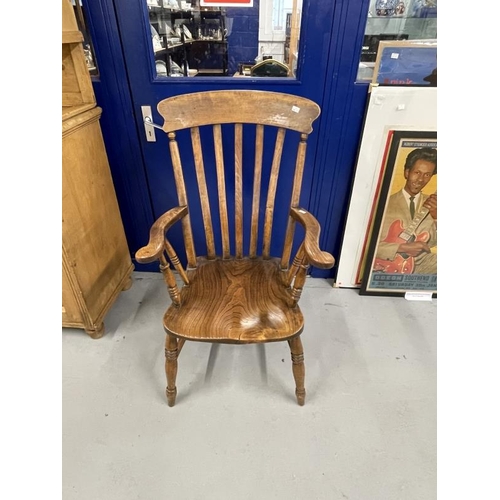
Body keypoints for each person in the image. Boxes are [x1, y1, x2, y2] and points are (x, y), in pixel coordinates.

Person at [374, 147, 437, 274]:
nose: (421, 180)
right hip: (387, 264)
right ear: (407, 173)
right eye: (417, 172)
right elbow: (366, 246)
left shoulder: (434, 204)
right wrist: (401, 247)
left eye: (427, 175)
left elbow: (432, 243)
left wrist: (437, 218)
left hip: (421, 264)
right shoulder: (383, 203)